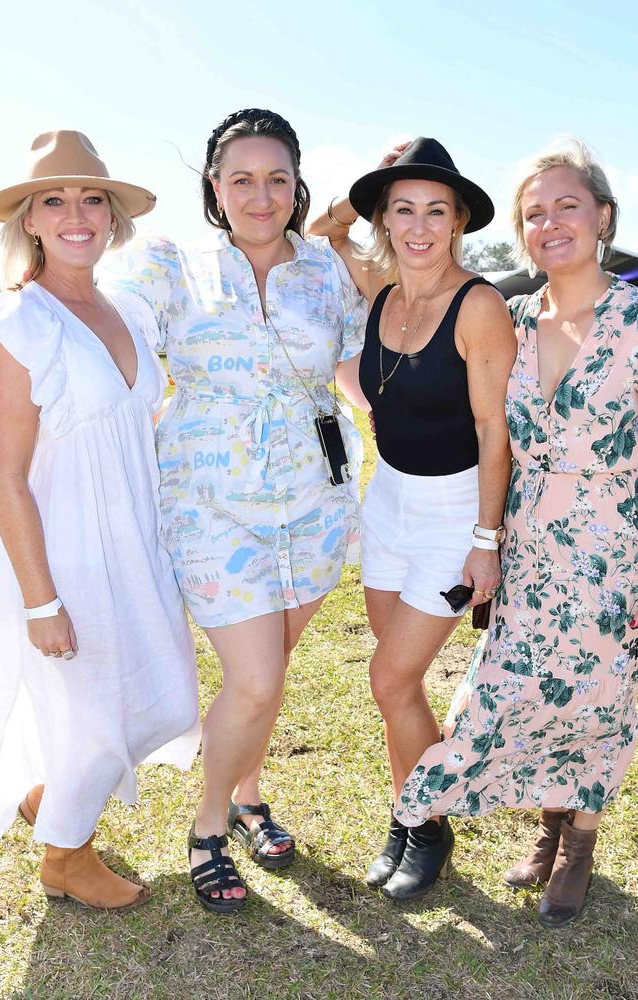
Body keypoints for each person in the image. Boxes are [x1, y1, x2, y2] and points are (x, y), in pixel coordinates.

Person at [101, 108, 367, 913]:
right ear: (215, 186)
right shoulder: (170, 264)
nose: (261, 195)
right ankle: (211, 825)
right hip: (212, 504)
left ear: (297, 187)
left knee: (271, 670)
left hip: (315, 501)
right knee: (253, 680)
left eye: (277, 179)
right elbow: (108, 324)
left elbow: (356, 370)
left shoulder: (326, 270)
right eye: (242, 179)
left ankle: (251, 796)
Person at [392, 140, 638, 928]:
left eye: (567, 204)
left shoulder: (635, 319)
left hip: (617, 544)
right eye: (535, 212)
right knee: (517, 689)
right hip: (532, 541)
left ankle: (579, 843)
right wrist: (490, 541)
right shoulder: (514, 318)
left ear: (603, 215)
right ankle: (545, 820)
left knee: (602, 696)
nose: (550, 222)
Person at [0, 131, 200, 910]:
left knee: (164, 697)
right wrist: (42, 601)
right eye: (55, 200)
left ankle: (49, 795)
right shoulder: (17, 326)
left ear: (112, 220)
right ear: (31, 222)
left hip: (134, 541)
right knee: (94, 705)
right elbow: (6, 476)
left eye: (91, 200)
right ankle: (65, 860)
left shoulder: (128, 313)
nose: (76, 214)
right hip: (63, 552)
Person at [308, 138, 517, 900]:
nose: (419, 226)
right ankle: (409, 813)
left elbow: (497, 433)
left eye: (436, 210)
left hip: (455, 511)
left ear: (459, 220)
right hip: (387, 499)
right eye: (402, 210)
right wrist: (373, 174)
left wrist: (486, 542)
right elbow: (322, 229)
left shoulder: (480, 305)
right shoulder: (381, 288)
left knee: (389, 676)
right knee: (397, 682)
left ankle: (425, 822)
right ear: (384, 221)